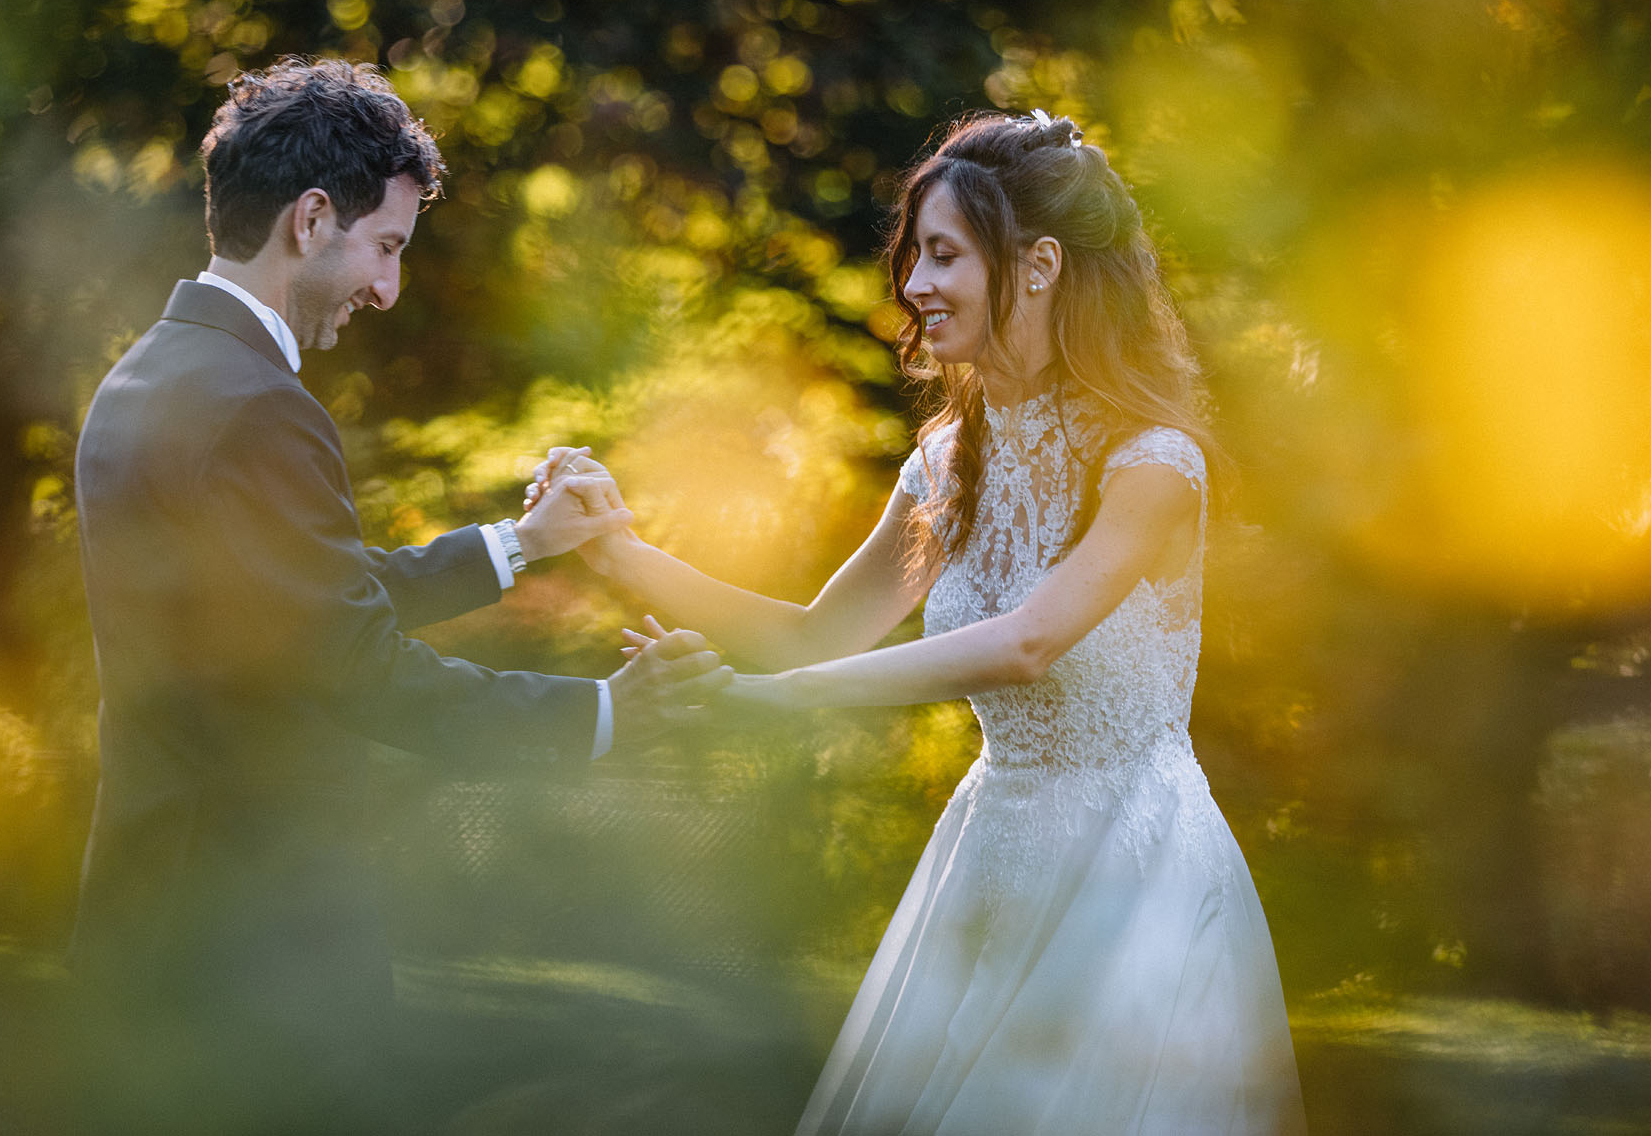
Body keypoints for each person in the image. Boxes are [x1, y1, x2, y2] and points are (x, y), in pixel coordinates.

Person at [531, 111, 1306, 1133]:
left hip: (1135, 865)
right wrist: (618, 549)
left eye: (942, 256)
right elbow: (813, 632)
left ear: (1036, 265)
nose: (912, 285)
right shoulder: (947, 462)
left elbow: (1026, 643)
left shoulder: (1154, 463)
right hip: (988, 855)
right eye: (914, 256)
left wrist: (766, 702)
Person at [65, 56, 730, 1133]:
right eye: (386, 247)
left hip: (153, 909)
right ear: (311, 217)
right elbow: (355, 666)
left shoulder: (151, 372)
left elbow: (302, 607)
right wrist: (605, 713)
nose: (387, 287)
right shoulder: (257, 406)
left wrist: (520, 541)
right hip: (257, 949)